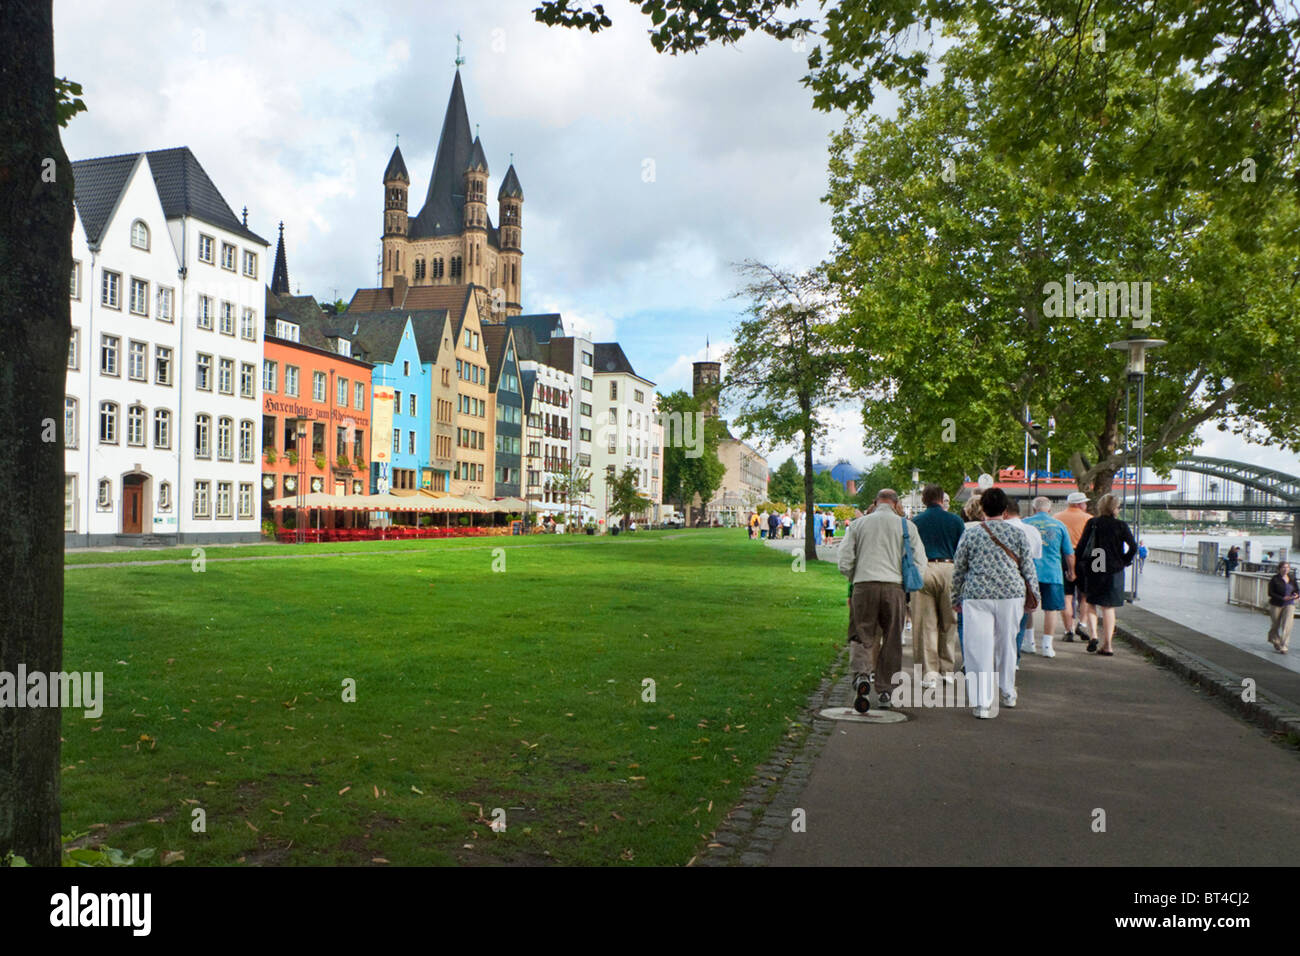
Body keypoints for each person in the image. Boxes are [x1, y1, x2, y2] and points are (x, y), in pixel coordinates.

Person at [951, 486, 1039, 719]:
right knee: (1007, 644)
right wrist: (1034, 598)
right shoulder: (1018, 534)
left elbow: (959, 569)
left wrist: (955, 598)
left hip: (977, 595)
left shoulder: (971, 534)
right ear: (1005, 510)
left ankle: (982, 702)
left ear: (982, 509)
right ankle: (1008, 691)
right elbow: (1028, 568)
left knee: (977, 648)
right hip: (1011, 594)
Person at [839, 489, 928, 710]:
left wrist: (854, 575)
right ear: (896, 504)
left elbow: (845, 558)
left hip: (864, 584)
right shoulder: (907, 526)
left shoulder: (859, 524)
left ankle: (861, 675)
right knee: (891, 638)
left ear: (875, 501)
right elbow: (920, 561)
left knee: (861, 634)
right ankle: (886, 689)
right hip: (894, 586)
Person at [911, 484, 965, 687]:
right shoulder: (956, 521)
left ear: (924, 500)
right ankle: (947, 670)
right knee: (949, 621)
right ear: (942, 499)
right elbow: (962, 550)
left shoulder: (915, 522)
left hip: (924, 569)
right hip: (950, 568)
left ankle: (929, 673)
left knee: (926, 623)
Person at [1076, 493, 1137, 655]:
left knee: (1091, 602)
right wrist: (1124, 561)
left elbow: (1082, 546)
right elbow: (1133, 547)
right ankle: (1108, 645)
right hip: (1114, 568)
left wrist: (1078, 567)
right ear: (1115, 508)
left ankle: (1094, 635)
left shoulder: (1093, 523)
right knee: (1108, 607)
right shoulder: (1121, 525)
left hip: (1096, 564)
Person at [1023, 496, 1075, 658]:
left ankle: (1029, 642)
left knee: (1028, 608)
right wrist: (1072, 571)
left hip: (1029, 572)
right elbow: (1069, 553)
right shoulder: (1059, 525)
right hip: (1053, 573)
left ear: (1033, 509)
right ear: (1050, 510)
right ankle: (1047, 645)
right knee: (1051, 610)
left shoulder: (1025, 523)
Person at [1003, 498, 1043, 660]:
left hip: (1000, 580)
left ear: (1004, 512)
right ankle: (1015, 658)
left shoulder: (999, 528)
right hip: (1022, 581)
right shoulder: (1032, 531)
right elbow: (1036, 557)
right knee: (1020, 622)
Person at [1055, 492, 1094, 643]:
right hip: (1084, 559)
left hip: (1063, 557)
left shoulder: (1057, 517)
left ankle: (1068, 630)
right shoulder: (1089, 519)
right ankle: (1082, 624)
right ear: (1079, 504)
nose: (1086, 505)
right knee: (1084, 595)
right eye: (1084, 503)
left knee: (1066, 596)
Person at [1267, 562, 1298, 653]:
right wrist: (1282, 598)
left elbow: (1296, 589)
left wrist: (1296, 595)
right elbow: (1270, 593)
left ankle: (1284, 645)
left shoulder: (1292, 578)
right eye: (1283, 567)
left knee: (1287, 625)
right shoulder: (1275, 579)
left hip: (1289, 604)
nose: (1285, 569)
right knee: (1275, 625)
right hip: (1276, 604)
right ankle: (1275, 640)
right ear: (1279, 568)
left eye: (1287, 567)